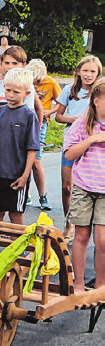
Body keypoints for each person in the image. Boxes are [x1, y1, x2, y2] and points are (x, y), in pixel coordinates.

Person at [61, 79, 105, 293]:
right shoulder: (82, 124)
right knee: (81, 235)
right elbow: (69, 154)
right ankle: (78, 283)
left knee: (103, 240)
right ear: (96, 101)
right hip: (83, 187)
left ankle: (100, 285)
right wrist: (92, 140)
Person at [0, 68, 40, 225]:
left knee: (15, 215)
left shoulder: (29, 115)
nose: (11, 95)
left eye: (16, 91)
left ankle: (18, 248)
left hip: (16, 175)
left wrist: (25, 175)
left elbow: (32, 148)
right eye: (8, 90)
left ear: (26, 94)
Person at [56, 55, 103, 237]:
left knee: (88, 187)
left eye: (92, 71)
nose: (88, 75)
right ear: (78, 72)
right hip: (73, 143)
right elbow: (58, 116)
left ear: (98, 73)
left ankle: (89, 225)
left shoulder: (99, 92)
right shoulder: (69, 90)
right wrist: (72, 119)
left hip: (94, 148)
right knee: (67, 187)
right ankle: (70, 224)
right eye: (85, 70)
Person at [28, 58, 61, 211]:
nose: (37, 82)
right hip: (26, 120)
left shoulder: (51, 83)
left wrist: (50, 111)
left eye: (38, 79)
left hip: (42, 122)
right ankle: (26, 194)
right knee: (23, 157)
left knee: (36, 158)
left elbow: (61, 101)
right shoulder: (27, 81)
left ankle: (43, 195)